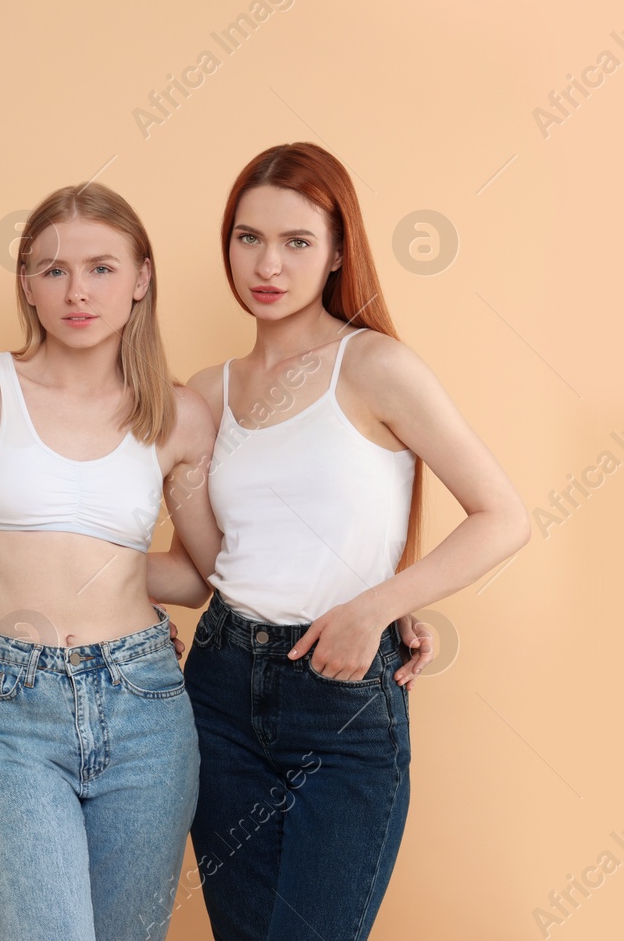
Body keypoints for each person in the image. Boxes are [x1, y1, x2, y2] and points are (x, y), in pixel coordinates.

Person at [184, 142, 529, 940]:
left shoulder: (375, 367)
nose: (267, 263)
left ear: (338, 251)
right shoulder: (206, 393)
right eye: (248, 238)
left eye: (297, 242)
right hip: (218, 691)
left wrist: (378, 607)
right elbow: (209, 566)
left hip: (341, 702)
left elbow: (502, 515)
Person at [0, 183, 217, 940]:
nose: (77, 292)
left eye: (101, 269)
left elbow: (201, 574)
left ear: (142, 278)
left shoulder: (178, 416)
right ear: (26, 283)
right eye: (52, 271)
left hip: (145, 697)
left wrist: (105, 570)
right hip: (10, 703)